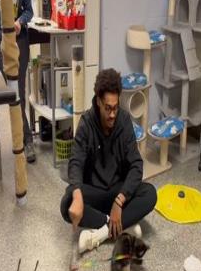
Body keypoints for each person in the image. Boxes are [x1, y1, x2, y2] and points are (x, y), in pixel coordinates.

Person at [60, 68, 157, 254]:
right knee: (66, 204)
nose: (112, 114)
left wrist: (119, 202)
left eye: (115, 107)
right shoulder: (86, 123)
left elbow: (136, 165)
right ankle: (120, 226)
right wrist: (78, 196)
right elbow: (76, 162)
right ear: (98, 101)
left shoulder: (124, 121)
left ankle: (101, 233)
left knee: (150, 193)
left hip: (117, 191)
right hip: (95, 192)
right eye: (107, 108)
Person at [0, 0, 36, 163]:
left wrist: (20, 22)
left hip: (20, 40)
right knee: (12, 92)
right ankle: (24, 137)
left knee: (20, 92)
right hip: (1, 38)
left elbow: (29, 10)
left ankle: (27, 141)